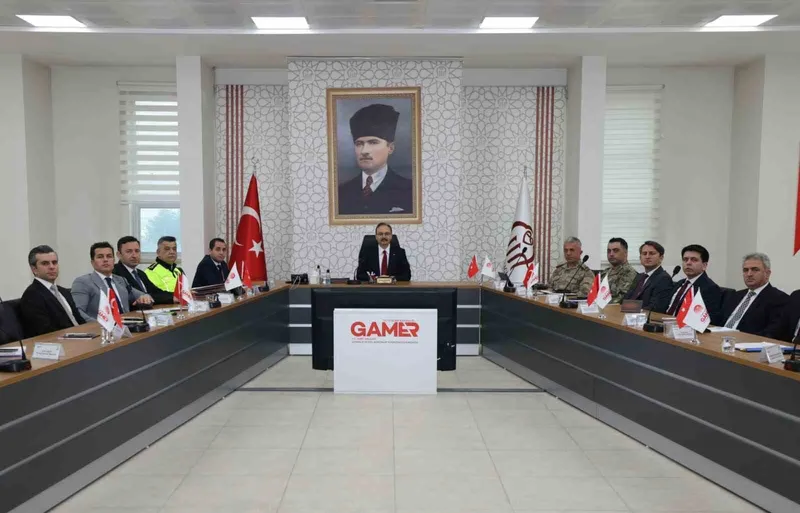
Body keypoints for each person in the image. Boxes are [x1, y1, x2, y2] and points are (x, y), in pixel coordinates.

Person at [337, 104, 413, 215]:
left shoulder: (410, 190)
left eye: (373, 142)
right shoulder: (341, 192)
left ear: (390, 148)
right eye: (359, 144)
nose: (364, 151)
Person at [72, 242, 153, 321]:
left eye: (109, 256)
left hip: (126, 324)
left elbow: (142, 295)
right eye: (100, 257)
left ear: (114, 260)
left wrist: (145, 297)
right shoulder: (82, 282)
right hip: (100, 327)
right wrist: (98, 326)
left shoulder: (121, 280)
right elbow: (78, 312)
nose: (105, 260)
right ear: (92, 262)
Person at [19, 245, 85, 337]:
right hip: (62, 342)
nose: (52, 267)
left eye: (54, 262)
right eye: (45, 263)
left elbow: (80, 321)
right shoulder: (31, 296)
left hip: (83, 338)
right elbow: (45, 332)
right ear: (34, 269)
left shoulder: (64, 292)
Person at [719, 253, 788, 337]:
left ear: (767, 273)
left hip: (744, 342)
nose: (749, 274)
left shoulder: (779, 299)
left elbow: (771, 332)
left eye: (755, 270)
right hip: (718, 338)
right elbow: (719, 321)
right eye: (745, 270)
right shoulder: (736, 295)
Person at [661, 244, 723, 324]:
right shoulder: (679, 283)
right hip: (664, 324)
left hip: (684, 328)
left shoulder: (710, 288)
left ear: (704, 266)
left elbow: (709, 320)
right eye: (685, 259)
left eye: (694, 260)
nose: (688, 263)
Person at [113, 236, 174, 304]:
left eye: (137, 251)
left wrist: (176, 296)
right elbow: (131, 297)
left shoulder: (141, 273)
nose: (134, 255)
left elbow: (156, 292)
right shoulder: (115, 273)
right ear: (119, 255)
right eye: (129, 251)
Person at [624, 241, 674, 311]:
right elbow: (626, 298)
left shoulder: (664, 279)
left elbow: (656, 307)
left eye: (652, 253)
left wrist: (628, 308)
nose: (647, 257)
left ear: (661, 258)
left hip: (645, 316)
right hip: (628, 313)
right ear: (640, 258)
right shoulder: (639, 276)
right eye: (644, 254)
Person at [604, 238, 638, 304]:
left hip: (614, 309)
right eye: (609, 251)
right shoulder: (604, 272)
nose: (611, 254)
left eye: (615, 251)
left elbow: (620, 300)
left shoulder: (629, 273)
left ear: (625, 253)